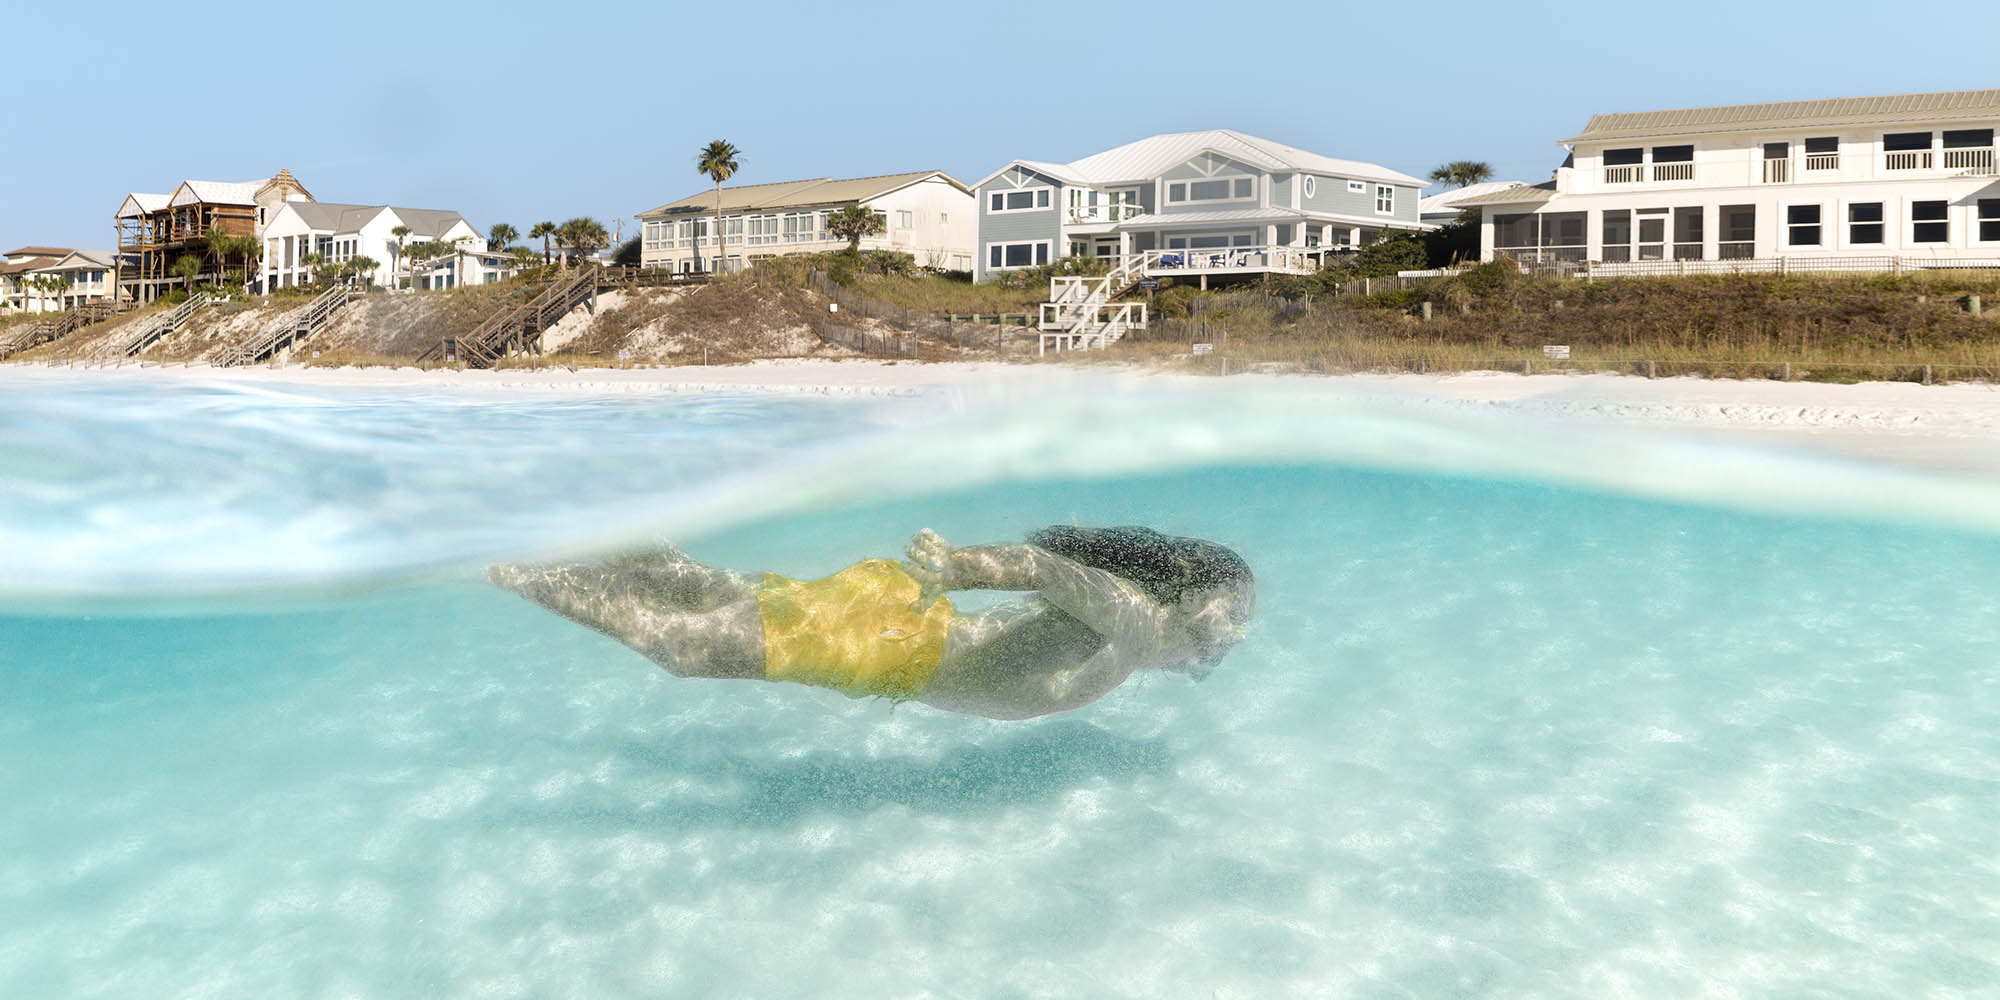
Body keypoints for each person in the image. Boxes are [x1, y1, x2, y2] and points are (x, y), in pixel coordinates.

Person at [487, 526, 1255, 720]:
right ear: (1185, 595)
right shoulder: (1133, 618)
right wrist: (961, 566)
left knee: (698, 586)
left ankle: (577, 529)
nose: (1235, 635)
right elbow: (1040, 567)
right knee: (684, 644)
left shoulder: (1136, 639)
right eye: (1232, 613)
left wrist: (954, 576)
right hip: (895, 646)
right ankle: (515, 572)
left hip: (899, 628)